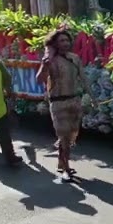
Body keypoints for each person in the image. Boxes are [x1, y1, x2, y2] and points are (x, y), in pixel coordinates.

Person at [37, 29, 86, 182]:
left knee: (71, 136)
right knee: (64, 136)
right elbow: (40, 80)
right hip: (58, 102)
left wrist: (92, 96)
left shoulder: (75, 58)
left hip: (74, 101)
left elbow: (83, 78)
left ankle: (61, 162)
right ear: (55, 44)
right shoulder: (50, 60)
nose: (65, 43)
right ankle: (66, 169)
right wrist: (45, 66)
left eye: (67, 40)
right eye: (61, 41)